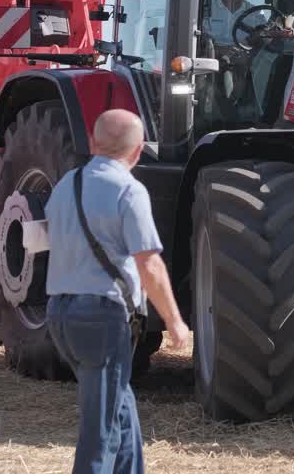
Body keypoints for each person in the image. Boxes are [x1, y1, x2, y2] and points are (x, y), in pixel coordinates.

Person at [44, 108, 190, 474]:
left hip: (60, 316)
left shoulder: (66, 185)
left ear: (92, 142)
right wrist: (175, 322)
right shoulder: (128, 190)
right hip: (101, 318)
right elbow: (150, 264)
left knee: (118, 408)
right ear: (139, 150)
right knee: (102, 432)